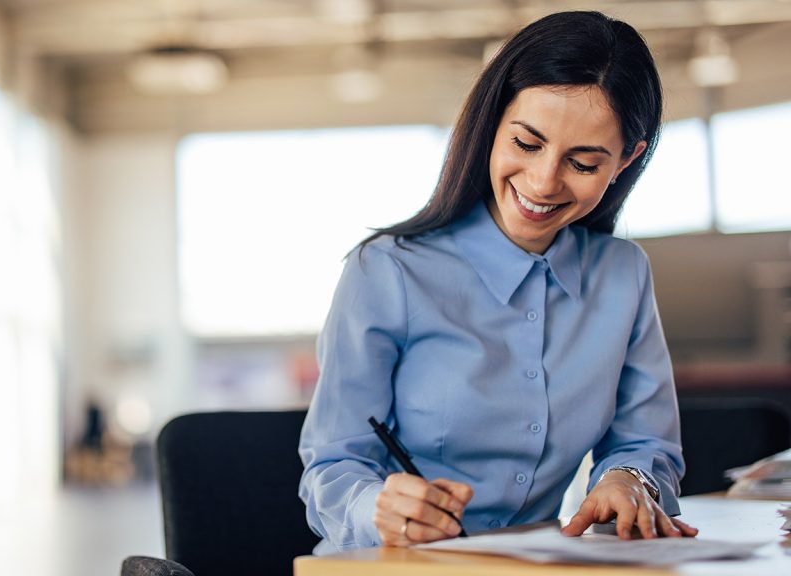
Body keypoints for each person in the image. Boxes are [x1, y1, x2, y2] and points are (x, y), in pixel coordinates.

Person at [298, 10, 700, 554]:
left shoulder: (622, 275)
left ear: (626, 159)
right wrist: (378, 509)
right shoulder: (387, 270)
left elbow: (645, 441)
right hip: (392, 565)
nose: (542, 181)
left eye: (582, 163)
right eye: (527, 144)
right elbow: (333, 465)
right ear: (492, 124)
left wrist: (631, 478)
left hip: (531, 563)